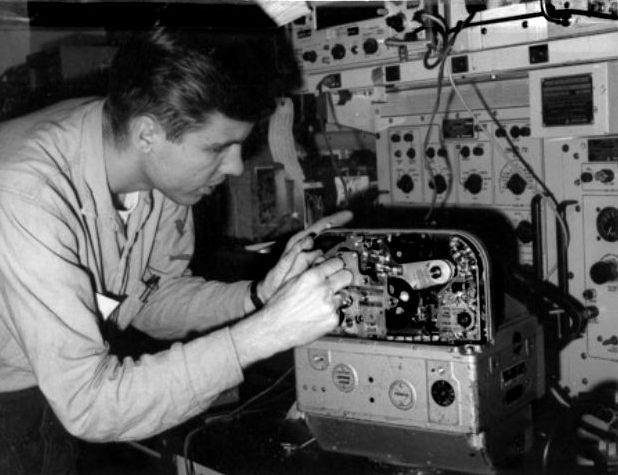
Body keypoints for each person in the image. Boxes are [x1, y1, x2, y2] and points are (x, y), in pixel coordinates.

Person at [0, 27, 353, 474]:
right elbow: (89, 403)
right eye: (218, 147)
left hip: (48, 392)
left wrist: (259, 297)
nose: (235, 166)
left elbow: (150, 300)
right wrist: (265, 332)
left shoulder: (154, 168)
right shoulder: (26, 195)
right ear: (148, 133)